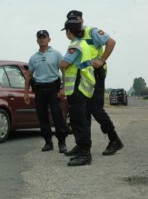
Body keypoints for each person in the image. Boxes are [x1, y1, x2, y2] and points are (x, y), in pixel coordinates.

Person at [64, 10, 124, 157]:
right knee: (83, 110)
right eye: (71, 19)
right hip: (85, 75)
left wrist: (102, 60)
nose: (75, 21)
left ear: (82, 19)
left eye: (76, 18)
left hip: (96, 74)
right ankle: (82, 144)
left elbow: (111, 42)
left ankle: (114, 139)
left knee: (95, 108)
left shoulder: (92, 31)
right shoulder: (75, 35)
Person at [59, 18, 96, 166]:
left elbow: (64, 64)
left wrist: (62, 64)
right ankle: (82, 150)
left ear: (69, 31)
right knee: (81, 121)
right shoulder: (85, 44)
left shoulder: (75, 46)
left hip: (77, 89)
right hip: (83, 88)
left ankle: (85, 154)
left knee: (78, 122)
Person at [24, 30, 68, 153]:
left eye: (44, 37)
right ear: (37, 40)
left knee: (57, 115)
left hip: (53, 88)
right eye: (40, 37)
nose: (42, 39)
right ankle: (48, 142)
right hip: (39, 89)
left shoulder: (56, 54)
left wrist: (64, 88)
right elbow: (28, 76)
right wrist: (26, 93)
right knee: (42, 116)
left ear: (49, 39)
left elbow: (64, 71)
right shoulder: (34, 57)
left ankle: (62, 142)